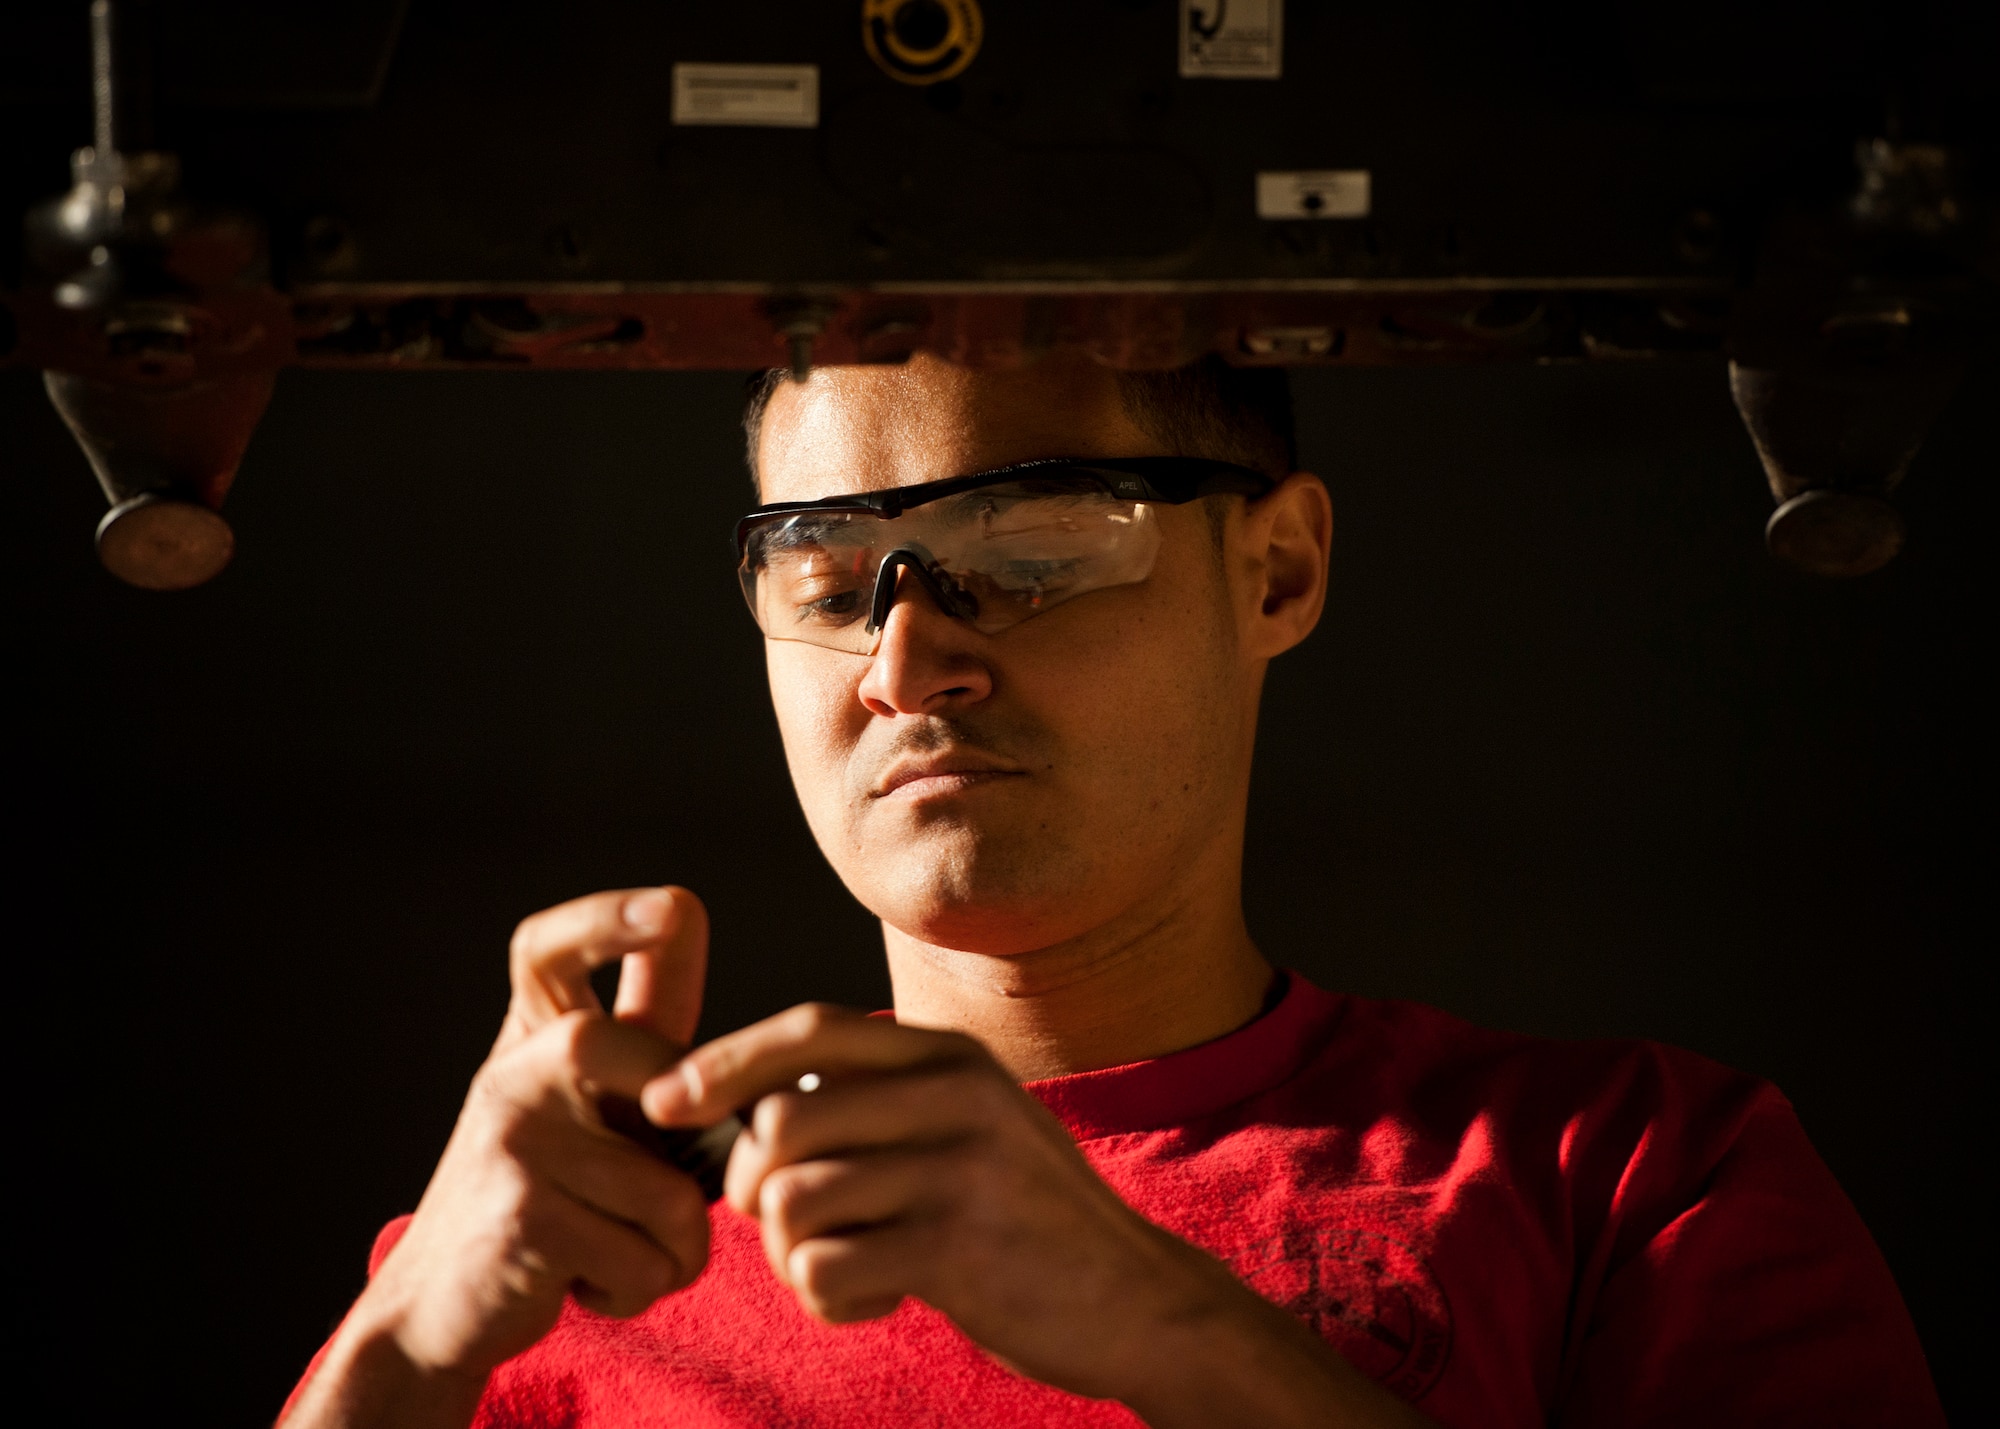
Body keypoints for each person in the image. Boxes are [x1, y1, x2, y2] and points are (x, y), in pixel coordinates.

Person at [281, 351, 1942, 1428]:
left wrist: (1167, 1327)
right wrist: (401, 1350)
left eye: (1031, 550)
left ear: (1276, 568)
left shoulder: (1629, 1178)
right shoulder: (553, 1244)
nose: (909, 661)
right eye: (830, 579)